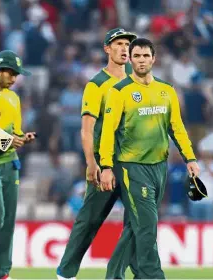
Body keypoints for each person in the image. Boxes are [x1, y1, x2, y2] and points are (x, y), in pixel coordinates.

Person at [99, 38, 200, 279]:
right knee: (147, 223)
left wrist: (190, 158)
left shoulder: (166, 90)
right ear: (130, 59)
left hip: (159, 167)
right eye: (137, 56)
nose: (142, 60)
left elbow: (177, 128)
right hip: (132, 167)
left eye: (146, 56)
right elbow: (108, 132)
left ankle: (113, 275)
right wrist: (106, 165)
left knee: (137, 225)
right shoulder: (120, 91)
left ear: (154, 59)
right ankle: (151, 275)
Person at [56, 28, 138, 280]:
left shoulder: (137, 83)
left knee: (140, 222)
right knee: (90, 220)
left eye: (128, 44)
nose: (125, 49)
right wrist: (92, 164)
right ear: (107, 49)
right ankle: (65, 274)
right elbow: (87, 129)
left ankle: (131, 273)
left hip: (135, 162)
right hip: (107, 162)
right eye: (119, 44)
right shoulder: (97, 84)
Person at [0, 50, 36, 279]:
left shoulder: (14, 97)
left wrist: (22, 137)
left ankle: (2, 272)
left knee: (8, 221)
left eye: (17, 74)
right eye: (11, 73)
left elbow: (14, 130)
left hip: (10, 163)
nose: (14, 78)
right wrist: (6, 139)